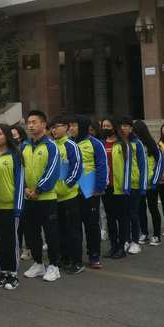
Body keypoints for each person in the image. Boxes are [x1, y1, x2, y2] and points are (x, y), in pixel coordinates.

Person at [21, 110, 62, 282]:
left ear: (44, 124)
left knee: (51, 233)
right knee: (32, 233)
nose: (30, 125)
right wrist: (25, 188)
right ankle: (38, 263)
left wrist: (38, 190)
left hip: (46, 198)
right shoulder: (24, 146)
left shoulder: (51, 146)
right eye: (29, 122)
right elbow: (20, 170)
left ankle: (54, 266)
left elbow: (52, 171)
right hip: (28, 198)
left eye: (34, 122)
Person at [68, 115, 108, 269]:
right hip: (72, 192)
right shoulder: (68, 143)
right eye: (70, 125)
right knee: (74, 226)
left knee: (92, 225)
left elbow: (102, 166)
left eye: (74, 125)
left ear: (83, 127)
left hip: (90, 192)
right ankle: (76, 258)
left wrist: (99, 187)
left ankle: (94, 255)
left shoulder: (95, 143)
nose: (71, 128)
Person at [0, 123, 24, 290]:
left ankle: (13, 274)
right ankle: (4, 272)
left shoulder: (15, 155)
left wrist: (18, 207)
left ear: (7, 136)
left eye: (0, 134)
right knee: (1, 241)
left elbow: (20, 181)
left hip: (10, 206)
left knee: (12, 242)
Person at [49, 116, 84, 275]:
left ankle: (77, 262)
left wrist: (64, 186)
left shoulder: (71, 145)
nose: (54, 130)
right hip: (53, 197)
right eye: (52, 127)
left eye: (57, 126)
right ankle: (64, 258)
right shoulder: (52, 145)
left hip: (69, 196)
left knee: (73, 231)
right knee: (59, 230)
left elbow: (76, 169)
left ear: (66, 127)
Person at [101, 117, 131, 259]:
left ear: (114, 127)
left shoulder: (123, 144)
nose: (105, 128)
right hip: (106, 187)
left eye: (108, 126)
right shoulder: (101, 144)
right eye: (103, 126)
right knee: (110, 218)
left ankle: (121, 246)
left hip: (120, 188)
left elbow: (128, 166)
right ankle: (113, 246)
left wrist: (126, 186)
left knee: (122, 218)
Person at [133, 120, 164, 246]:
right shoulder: (134, 145)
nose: (134, 134)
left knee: (153, 208)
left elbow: (161, 163)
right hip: (139, 183)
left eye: (136, 132)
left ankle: (156, 235)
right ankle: (144, 233)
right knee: (140, 209)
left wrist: (155, 180)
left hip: (151, 184)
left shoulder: (153, 146)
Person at [121, 117, 146, 255]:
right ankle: (125, 239)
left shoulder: (137, 143)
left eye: (126, 126)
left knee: (133, 214)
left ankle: (135, 241)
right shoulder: (117, 143)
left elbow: (143, 165)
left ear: (131, 128)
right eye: (121, 126)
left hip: (134, 185)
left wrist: (142, 186)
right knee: (123, 215)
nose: (123, 128)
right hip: (119, 185)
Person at [11, 124, 31, 261]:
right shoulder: (9, 149)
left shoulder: (25, 146)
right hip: (14, 189)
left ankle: (28, 248)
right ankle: (17, 247)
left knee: (26, 222)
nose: (13, 137)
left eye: (15, 134)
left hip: (26, 189)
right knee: (17, 223)